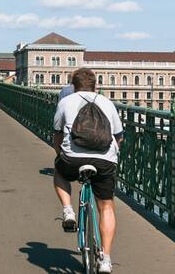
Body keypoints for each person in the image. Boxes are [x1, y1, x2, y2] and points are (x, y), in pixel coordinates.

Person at [52, 68, 123, 273]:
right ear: (95, 85)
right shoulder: (107, 103)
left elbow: (57, 134)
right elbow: (119, 136)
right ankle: (105, 260)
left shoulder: (65, 102)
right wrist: (112, 154)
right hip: (104, 161)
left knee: (59, 172)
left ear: (73, 86)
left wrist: (60, 153)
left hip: (73, 158)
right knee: (106, 206)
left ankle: (68, 211)